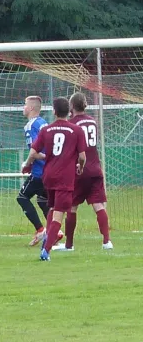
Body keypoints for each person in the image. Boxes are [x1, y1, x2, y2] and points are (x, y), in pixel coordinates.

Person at [22, 97, 87, 261]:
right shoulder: (76, 130)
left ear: (54, 111)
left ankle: (46, 241)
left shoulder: (46, 130)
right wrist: (80, 165)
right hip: (65, 177)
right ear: (69, 112)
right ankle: (46, 250)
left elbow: (33, 153)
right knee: (59, 213)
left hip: (48, 175)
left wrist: (28, 165)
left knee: (51, 208)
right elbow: (82, 157)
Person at [53, 92, 113, 251]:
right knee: (98, 205)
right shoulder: (93, 121)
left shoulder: (71, 124)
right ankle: (107, 241)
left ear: (71, 106)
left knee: (72, 207)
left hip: (79, 170)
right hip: (95, 169)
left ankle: (69, 245)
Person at [18, 96, 50, 246]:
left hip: (39, 172)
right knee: (43, 200)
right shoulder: (44, 123)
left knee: (22, 197)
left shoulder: (30, 126)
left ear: (31, 108)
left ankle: (40, 230)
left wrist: (28, 163)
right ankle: (55, 231)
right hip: (49, 171)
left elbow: (34, 151)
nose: (23, 107)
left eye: (24, 105)